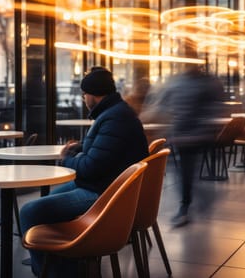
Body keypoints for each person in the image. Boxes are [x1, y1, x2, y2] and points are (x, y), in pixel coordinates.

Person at [20, 66, 149, 277]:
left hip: (105, 195)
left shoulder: (114, 119)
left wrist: (68, 159)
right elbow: (107, 149)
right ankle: (67, 262)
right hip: (109, 186)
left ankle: (50, 272)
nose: (83, 97)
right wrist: (81, 147)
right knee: (51, 198)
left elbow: (89, 168)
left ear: (95, 94)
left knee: (30, 211)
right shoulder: (116, 113)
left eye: (85, 93)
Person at [142, 46, 225, 227]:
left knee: (187, 173)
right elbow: (161, 104)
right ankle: (191, 204)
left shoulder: (204, 82)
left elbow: (215, 107)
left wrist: (207, 129)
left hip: (195, 136)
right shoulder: (178, 82)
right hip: (180, 136)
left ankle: (188, 206)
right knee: (183, 173)